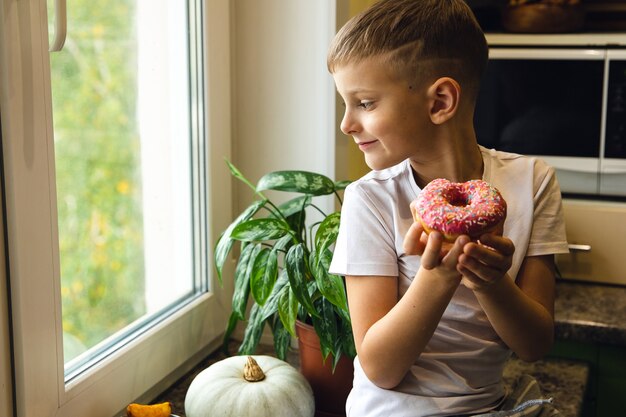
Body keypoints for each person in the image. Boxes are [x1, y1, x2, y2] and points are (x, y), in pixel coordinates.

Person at [327, 1, 570, 416]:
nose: (347, 124)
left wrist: (492, 283)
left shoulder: (533, 183)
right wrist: (436, 277)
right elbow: (380, 369)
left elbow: (534, 345)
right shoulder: (370, 199)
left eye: (365, 103)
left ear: (440, 101)